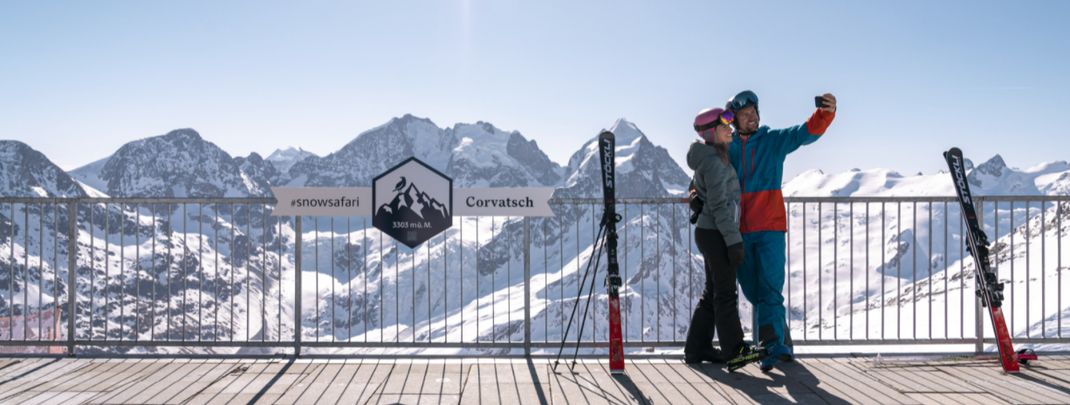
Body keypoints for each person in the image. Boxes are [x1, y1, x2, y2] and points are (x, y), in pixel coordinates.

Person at [726, 90, 837, 371]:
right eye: (745, 115)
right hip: (739, 230)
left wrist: (825, 113)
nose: (752, 118)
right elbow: (706, 171)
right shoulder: (729, 148)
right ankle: (779, 339)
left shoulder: (773, 140)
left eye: (754, 112)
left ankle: (772, 348)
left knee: (771, 289)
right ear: (735, 120)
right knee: (753, 290)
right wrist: (694, 191)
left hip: (771, 227)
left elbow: (803, 133)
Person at [684, 107, 754, 365]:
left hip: (710, 231)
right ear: (712, 132)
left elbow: (698, 187)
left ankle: (697, 349)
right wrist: (734, 241)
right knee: (725, 294)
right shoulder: (714, 160)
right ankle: (735, 352)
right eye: (725, 125)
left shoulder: (713, 156)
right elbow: (719, 206)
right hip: (716, 233)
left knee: (712, 291)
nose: (731, 128)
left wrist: (694, 195)